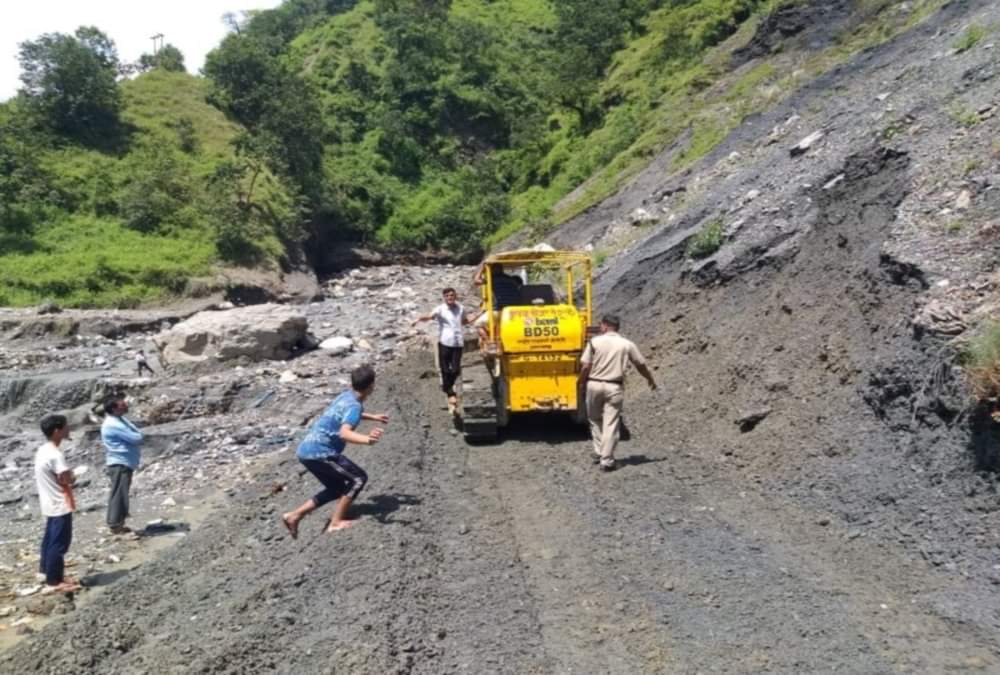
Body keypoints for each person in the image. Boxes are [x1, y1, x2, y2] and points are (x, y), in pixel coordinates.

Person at [281, 365, 389, 538]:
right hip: (320, 451)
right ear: (371, 387)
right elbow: (344, 433)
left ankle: (294, 516)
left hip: (306, 450)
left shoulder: (345, 396)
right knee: (358, 478)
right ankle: (336, 522)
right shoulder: (355, 407)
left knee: (336, 487)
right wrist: (368, 440)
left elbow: (345, 413)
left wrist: (373, 417)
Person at [579, 314, 657, 472]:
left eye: (601, 325)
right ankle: (606, 460)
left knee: (594, 419)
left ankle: (600, 451)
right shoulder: (626, 344)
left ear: (605, 326)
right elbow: (640, 364)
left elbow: (586, 366)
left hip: (594, 384)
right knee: (611, 423)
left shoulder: (594, 342)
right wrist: (650, 379)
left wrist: (581, 382)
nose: (600, 327)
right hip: (614, 387)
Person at [34, 414, 80, 593]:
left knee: (49, 539)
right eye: (66, 427)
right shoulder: (55, 454)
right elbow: (66, 478)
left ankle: (47, 572)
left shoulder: (43, 449)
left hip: (48, 501)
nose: (68, 430)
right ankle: (54, 581)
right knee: (59, 542)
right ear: (57, 431)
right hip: (59, 502)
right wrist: (74, 476)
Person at [412, 287, 474, 411]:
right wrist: (419, 319)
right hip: (445, 342)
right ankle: (450, 393)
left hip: (457, 343)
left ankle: (447, 388)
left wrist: (477, 316)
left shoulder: (461, 308)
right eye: (447, 296)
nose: (450, 297)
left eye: (452, 295)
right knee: (445, 369)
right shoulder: (440, 309)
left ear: (455, 296)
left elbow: (464, 321)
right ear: (444, 297)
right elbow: (430, 316)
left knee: (455, 370)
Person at [101, 393, 143, 535]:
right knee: (119, 493)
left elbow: (136, 433)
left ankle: (119, 522)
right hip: (120, 462)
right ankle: (115, 524)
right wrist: (137, 434)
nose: (126, 406)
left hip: (124, 462)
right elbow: (137, 437)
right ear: (113, 409)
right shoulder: (113, 424)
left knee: (121, 492)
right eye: (122, 405)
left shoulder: (119, 419)